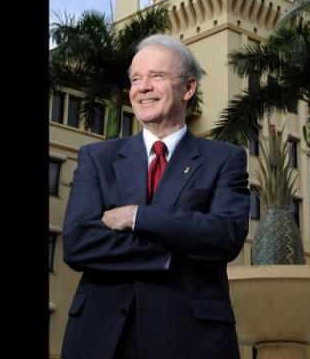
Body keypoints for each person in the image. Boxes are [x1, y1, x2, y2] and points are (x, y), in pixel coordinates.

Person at [60, 34, 250, 359]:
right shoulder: (97, 158)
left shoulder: (225, 159)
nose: (142, 87)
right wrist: (171, 253)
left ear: (188, 88)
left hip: (190, 340)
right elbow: (79, 243)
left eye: (156, 76)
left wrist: (137, 216)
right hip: (102, 339)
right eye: (136, 79)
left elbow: (224, 236)